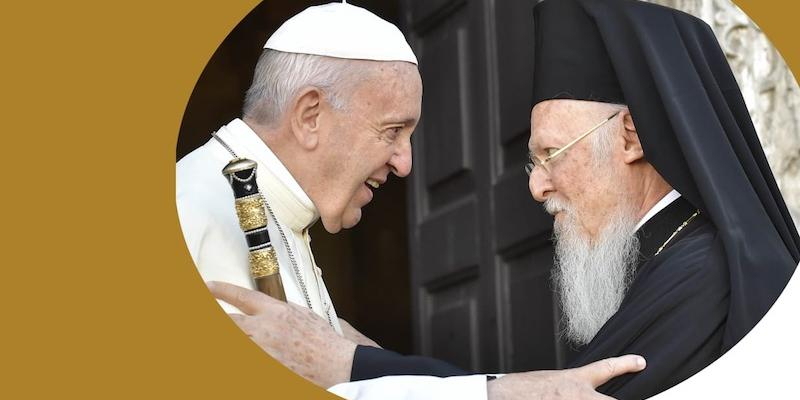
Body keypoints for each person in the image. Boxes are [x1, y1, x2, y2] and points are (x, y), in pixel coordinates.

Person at [206, 0, 800, 399]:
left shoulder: (709, 279)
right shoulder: (669, 259)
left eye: (549, 154)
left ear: (631, 136)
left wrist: (351, 367)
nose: (536, 185)